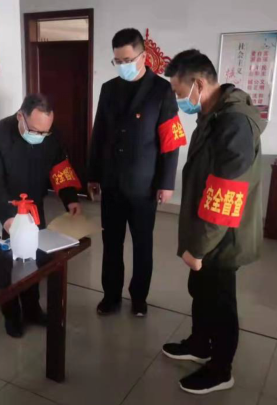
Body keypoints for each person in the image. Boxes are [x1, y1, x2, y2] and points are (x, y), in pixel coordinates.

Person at [161, 49, 266, 394]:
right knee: (201, 291)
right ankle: (200, 344)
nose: (178, 100)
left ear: (198, 84)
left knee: (220, 301)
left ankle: (221, 369)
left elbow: (226, 193)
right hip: (206, 229)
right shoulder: (213, 114)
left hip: (222, 236)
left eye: (178, 92)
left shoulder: (234, 123)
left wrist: (199, 248)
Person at [88, 28, 186, 317]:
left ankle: (139, 297)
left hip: (144, 185)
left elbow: (171, 141)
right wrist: (93, 175)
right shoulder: (108, 89)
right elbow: (99, 134)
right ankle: (111, 296)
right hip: (112, 183)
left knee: (143, 245)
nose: (123, 66)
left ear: (143, 56)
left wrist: (166, 182)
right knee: (111, 244)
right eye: (117, 61)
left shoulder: (161, 90)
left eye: (127, 60)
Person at [0, 93, 82, 338]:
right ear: (20, 117)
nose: (40, 136)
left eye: (45, 132)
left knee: (33, 261)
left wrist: (70, 198)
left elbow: (59, 167)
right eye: (36, 131)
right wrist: (9, 218)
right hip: (3, 212)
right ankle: (11, 315)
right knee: (6, 267)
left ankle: (32, 309)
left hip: (33, 209)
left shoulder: (50, 134)